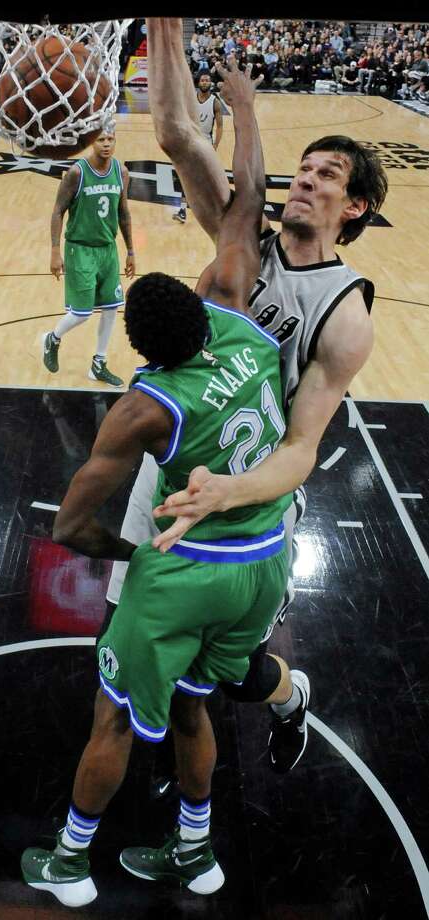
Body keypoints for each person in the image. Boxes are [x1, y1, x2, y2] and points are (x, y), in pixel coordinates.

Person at [21, 61, 315, 907]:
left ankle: (70, 865)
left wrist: (130, 553)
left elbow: (73, 528)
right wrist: (248, 110)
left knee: (113, 716)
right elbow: (247, 201)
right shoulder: (239, 311)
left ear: (145, 350)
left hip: (185, 571)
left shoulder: (144, 407)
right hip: (264, 562)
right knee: (194, 709)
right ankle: (195, 853)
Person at [105, 17, 388, 794]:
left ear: (354, 208)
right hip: (174, 474)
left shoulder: (344, 314)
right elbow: (173, 132)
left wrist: (228, 490)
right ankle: (159, 746)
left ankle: (289, 698)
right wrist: (164, 31)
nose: (305, 178)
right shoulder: (242, 240)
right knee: (137, 629)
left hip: (249, 498)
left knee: (226, 675)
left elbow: (299, 449)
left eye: (327, 175)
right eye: (302, 167)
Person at [42, 130, 135, 387]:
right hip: (79, 249)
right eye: (100, 140)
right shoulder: (77, 173)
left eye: (110, 139)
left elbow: (124, 213)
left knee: (110, 308)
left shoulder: (121, 171)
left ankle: (99, 363)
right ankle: (53, 338)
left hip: (108, 249)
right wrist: (54, 250)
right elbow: (58, 211)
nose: (106, 144)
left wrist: (130, 251)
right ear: (91, 142)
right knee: (82, 313)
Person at [173, 72, 224, 224]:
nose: (204, 82)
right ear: (198, 83)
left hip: (206, 143)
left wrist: (215, 145)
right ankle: (182, 210)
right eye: (202, 80)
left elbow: (220, 126)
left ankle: (216, 210)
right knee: (185, 177)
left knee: (207, 179)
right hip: (191, 143)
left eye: (207, 80)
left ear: (211, 83)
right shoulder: (190, 100)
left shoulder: (215, 102)